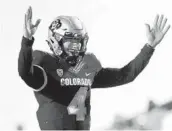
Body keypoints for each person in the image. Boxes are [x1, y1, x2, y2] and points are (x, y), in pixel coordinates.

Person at [18, 6, 170, 130]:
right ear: (56, 40)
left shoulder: (86, 68)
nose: (76, 46)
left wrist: (149, 47)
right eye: (71, 41)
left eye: (79, 41)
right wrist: (27, 42)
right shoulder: (46, 65)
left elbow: (126, 75)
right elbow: (25, 73)